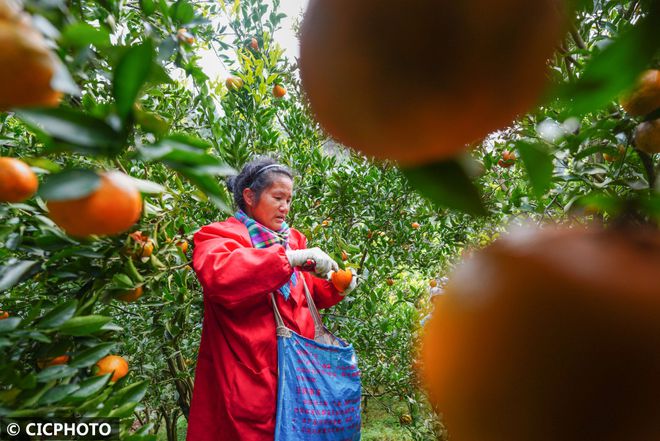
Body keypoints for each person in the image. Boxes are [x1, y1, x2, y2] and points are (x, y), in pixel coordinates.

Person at [186, 157, 356, 441]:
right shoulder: (219, 236)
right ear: (249, 196)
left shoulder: (293, 241)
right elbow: (220, 274)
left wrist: (338, 287)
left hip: (298, 378)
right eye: (277, 197)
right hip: (247, 381)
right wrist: (287, 259)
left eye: (288, 199)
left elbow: (307, 295)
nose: (285, 207)